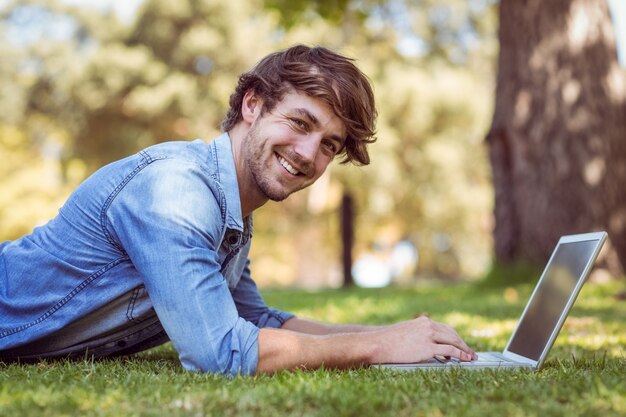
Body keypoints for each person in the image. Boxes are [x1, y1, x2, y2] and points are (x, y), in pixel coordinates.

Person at [0, 45, 476, 375]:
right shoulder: (176, 191)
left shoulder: (232, 214)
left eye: (329, 145)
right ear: (253, 104)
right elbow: (222, 352)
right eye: (298, 122)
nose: (310, 154)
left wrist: (396, 336)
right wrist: (379, 347)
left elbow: (257, 323)